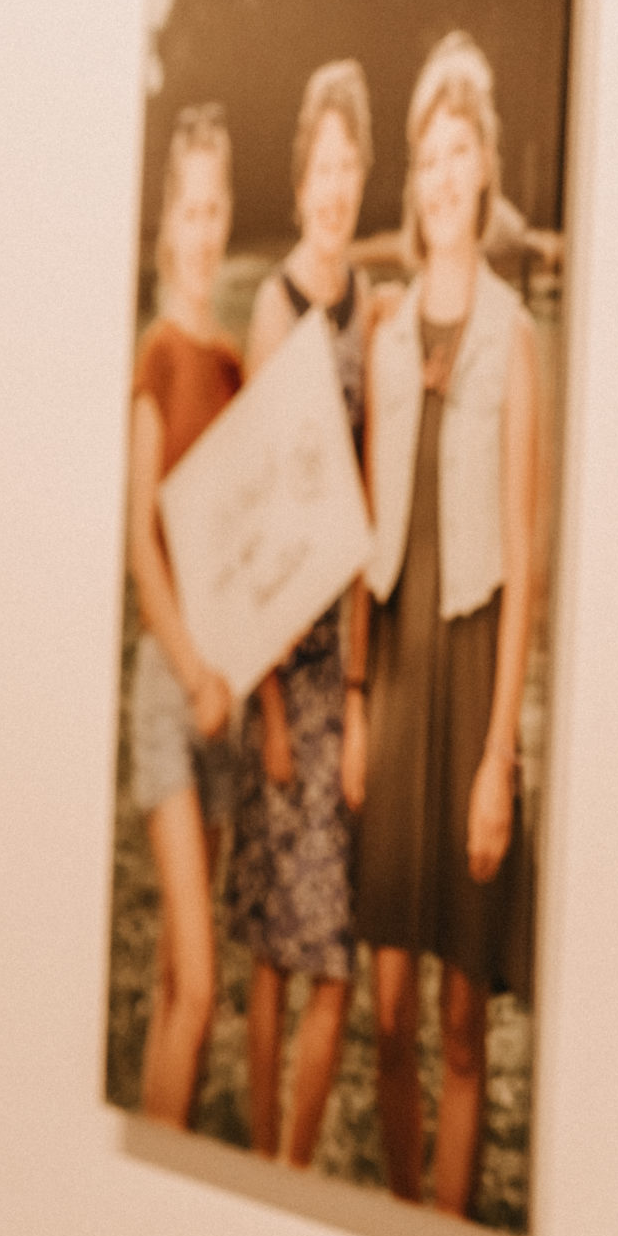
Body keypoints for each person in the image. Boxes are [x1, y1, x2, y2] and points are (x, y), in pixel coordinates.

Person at [349, 32, 539, 1216]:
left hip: (469, 678)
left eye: (459, 153)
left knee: (460, 1015)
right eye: (426, 157)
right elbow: (366, 524)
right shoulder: (382, 332)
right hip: (400, 672)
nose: (442, 177)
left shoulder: (517, 336)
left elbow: (523, 558)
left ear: (484, 172)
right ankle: (397, 1227)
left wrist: (498, 760)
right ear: (414, 184)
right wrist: (361, 707)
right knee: (385, 1012)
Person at [226, 60, 390, 1165]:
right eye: (318, 166)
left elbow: (373, 499)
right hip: (284, 667)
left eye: (349, 166)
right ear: (299, 184)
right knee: (275, 949)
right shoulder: (271, 309)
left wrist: (362, 700)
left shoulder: (370, 309)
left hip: (348, 669)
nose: (333, 187)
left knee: (329, 945)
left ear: (362, 177)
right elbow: (250, 520)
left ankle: (294, 1166)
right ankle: (252, 1164)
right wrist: (277, 704)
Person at [124, 104, 245, 1129]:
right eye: (188, 209)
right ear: (167, 223)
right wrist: (196, 670)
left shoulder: (237, 363)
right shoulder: (159, 356)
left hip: (226, 699)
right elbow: (140, 545)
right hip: (173, 689)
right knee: (203, 990)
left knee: (177, 981)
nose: (202, 230)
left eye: (217, 209)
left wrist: (232, 674)